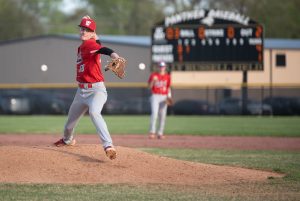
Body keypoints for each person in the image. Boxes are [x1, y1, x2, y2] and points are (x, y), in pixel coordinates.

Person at [54, 16, 120, 160]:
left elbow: (104, 49)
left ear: (92, 33)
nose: (83, 31)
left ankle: (108, 146)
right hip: (81, 92)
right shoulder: (86, 45)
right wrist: (93, 31)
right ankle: (67, 140)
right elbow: (99, 44)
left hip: (96, 90)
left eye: (87, 30)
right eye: (82, 29)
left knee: (94, 113)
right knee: (69, 125)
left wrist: (115, 56)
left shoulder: (89, 45)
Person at [148, 61, 171, 139]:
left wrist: (169, 96)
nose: (162, 68)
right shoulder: (153, 75)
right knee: (154, 113)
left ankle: (160, 133)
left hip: (164, 96)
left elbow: (168, 87)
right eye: (160, 66)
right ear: (158, 67)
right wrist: (153, 81)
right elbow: (149, 87)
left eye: (163, 66)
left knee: (163, 115)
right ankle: (152, 132)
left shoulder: (168, 76)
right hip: (155, 95)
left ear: (165, 67)